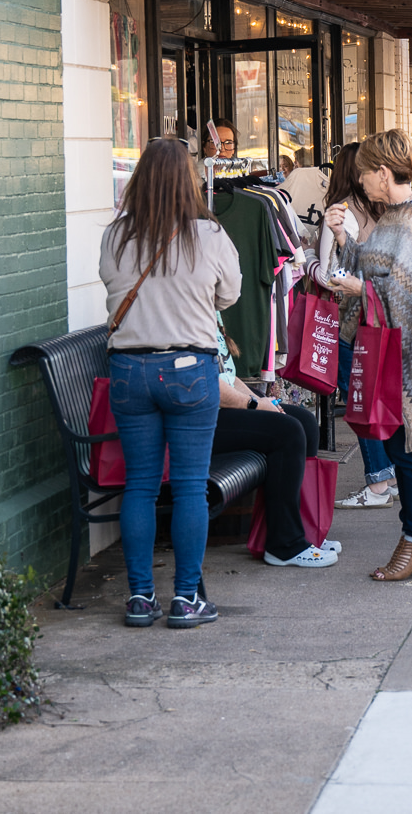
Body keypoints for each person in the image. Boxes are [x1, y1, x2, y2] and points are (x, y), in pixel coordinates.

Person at [99, 137, 241, 629]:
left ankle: (140, 598)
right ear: (189, 179)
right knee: (188, 489)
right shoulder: (209, 234)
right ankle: (186, 599)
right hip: (189, 373)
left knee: (138, 485)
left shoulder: (115, 236)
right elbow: (230, 294)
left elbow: (110, 285)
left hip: (129, 372)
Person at [327, 130, 412, 581]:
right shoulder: (394, 215)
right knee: (401, 447)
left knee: (409, 449)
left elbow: (405, 291)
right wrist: (343, 237)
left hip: (410, 349)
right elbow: (372, 265)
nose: (359, 181)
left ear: (382, 173)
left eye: (363, 173)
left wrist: (359, 288)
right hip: (390, 349)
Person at [303, 145, 396, 510]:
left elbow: (331, 275)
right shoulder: (382, 208)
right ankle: (389, 475)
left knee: (359, 401)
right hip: (379, 314)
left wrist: (307, 260)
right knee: (377, 399)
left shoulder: (341, 210)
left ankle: (378, 483)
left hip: (349, 319)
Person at [213, 327, 338, 567]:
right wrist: (255, 405)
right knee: (288, 433)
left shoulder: (211, 310)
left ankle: (305, 530)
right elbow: (210, 387)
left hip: (223, 410)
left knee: (306, 422)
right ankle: (284, 544)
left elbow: (228, 376)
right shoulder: (192, 309)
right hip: (201, 422)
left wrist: (259, 401)